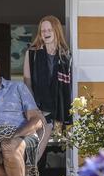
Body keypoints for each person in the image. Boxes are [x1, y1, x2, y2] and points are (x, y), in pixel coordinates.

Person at [23, 15, 72, 160]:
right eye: (43, 30)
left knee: (36, 151)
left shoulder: (66, 55)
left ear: (56, 31)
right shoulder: (32, 53)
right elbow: (27, 83)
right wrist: (34, 109)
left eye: (49, 29)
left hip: (57, 110)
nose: (46, 33)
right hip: (37, 108)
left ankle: (27, 172)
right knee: (30, 149)